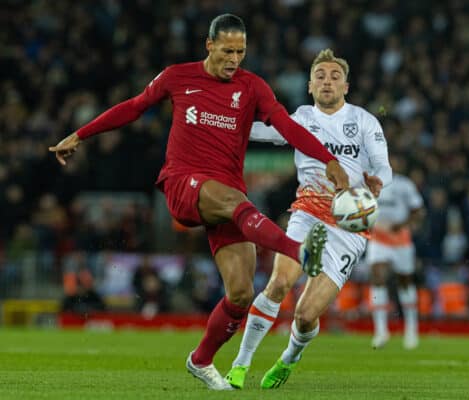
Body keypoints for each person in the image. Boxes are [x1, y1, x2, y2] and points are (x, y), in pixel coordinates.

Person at [49, 14, 350, 390]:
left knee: (240, 293)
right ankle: (298, 251)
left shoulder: (253, 87)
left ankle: (201, 360)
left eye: (240, 52)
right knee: (233, 199)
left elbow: (288, 127)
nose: (234, 59)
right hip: (183, 183)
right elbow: (133, 107)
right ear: (209, 45)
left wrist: (329, 160)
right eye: (227, 51)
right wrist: (80, 134)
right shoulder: (178, 77)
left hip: (226, 197)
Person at [225, 48, 392, 389]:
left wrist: (378, 182)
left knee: (305, 316)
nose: (327, 81)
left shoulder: (364, 121)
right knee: (278, 283)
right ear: (310, 86)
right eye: (320, 76)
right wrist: (219, 118)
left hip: (349, 225)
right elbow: (260, 132)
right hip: (307, 212)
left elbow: (384, 167)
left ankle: (290, 357)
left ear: (346, 86)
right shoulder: (301, 118)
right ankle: (240, 365)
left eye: (334, 77)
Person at [366, 155, 424, 350]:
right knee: (377, 277)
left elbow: (418, 210)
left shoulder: (405, 185)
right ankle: (381, 331)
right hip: (378, 238)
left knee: (405, 281)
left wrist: (403, 224)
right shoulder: (372, 183)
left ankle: (411, 329)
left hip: (400, 240)